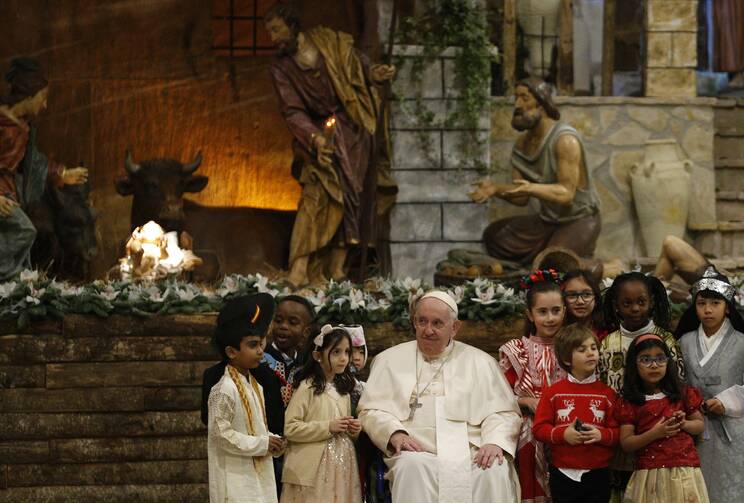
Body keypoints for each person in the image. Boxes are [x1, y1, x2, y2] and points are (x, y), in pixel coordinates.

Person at [264, 4, 396, 287]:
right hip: (319, 140)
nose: (273, 38)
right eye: (269, 32)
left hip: (354, 134)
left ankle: (337, 269)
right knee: (317, 195)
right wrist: (314, 138)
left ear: (291, 23)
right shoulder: (281, 68)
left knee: (353, 198)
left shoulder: (327, 41)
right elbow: (292, 111)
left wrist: (374, 73)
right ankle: (299, 269)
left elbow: (355, 64)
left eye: (276, 29)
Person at [359, 291, 521, 503]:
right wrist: (394, 433)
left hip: (472, 450)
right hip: (416, 449)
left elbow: (503, 412)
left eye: (437, 323)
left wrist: (493, 442)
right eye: (422, 321)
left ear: (454, 327)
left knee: (494, 470)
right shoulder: (388, 360)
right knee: (411, 468)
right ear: (414, 322)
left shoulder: (481, 362)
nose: (428, 330)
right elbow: (371, 410)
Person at [469, 77, 600, 266]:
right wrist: (494, 189)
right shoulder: (522, 145)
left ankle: (603, 268)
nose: (517, 104)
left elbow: (566, 194)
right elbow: (521, 198)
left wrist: (531, 188)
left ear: (542, 103)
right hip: (547, 221)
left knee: (552, 264)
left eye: (524, 98)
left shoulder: (564, 140)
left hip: (579, 219)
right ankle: (538, 264)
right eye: (516, 98)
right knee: (495, 236)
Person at [597, 271, 684, 501]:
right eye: (627, 303)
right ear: (616, 305)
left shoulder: (665, 340)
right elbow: (602, 385)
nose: (635, 308)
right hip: (622, 434)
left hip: (660, 436)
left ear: (652, 302)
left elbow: (678, 385)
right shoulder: (608, 343)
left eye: (641, 302)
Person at [0, 57, 88, 280]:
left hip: (10, 189)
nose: (45, 105)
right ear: (30, 95)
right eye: (43, 98)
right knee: (24, 230)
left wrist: (62, 174)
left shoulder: (24, 127)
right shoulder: (2, 124)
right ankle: (8, 277)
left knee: (21, 236)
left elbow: (34, 162)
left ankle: (18, 281)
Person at [207, 293, 287, 503]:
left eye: (261, 344)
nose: (261, 351)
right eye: (253, 345)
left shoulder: (255, 384)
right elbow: (220, 435)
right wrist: (262, 443)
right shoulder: (223, 389)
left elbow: (255, 428)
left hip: (258, 475)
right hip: (234, 478)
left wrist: (272, 440)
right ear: (232, 352)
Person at [676, 266, 744, 502]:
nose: (707, 310)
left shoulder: (741, 343)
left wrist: (726, 401)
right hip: (693, 428)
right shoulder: (683, 342)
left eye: (715, 303)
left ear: (727, 307)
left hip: (734, 431)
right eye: (701, 303)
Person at [615, 333, 709, 503]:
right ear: (634, 365)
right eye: (645, 359)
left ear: (668, 362)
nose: (654, 365)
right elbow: (626, 443)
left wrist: (684, 423)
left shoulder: (682, 394)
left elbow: (699, 425)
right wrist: (655, 433)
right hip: (650, 474)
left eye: (660, 358)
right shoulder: (631, 401)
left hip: (684, 473)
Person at [500, 269, 567, 502]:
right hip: (528, 422)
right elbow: (499, 396)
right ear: (529, 314)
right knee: (528, 439)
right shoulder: (516, 350)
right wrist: (527, 401)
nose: (550, 318)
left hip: (566, 420)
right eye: (543, 311)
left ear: (564, 311)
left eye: (556, 311)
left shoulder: (573, 346)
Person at [533, 324, 619, 503]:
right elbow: (539, 429)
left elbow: (618, 432)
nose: (591, 353)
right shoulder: (552, 393)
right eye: (582, 349)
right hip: (562, 473)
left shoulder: (608, 394)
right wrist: (564, 434)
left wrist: (600, 434)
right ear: (566, 359)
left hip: (598, 473)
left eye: (594, 348)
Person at [280, 324, 362, 503]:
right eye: (336, 352)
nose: (344, 358)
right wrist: (328, 426)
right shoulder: (307, 387)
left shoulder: (343, 391)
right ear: (318, 355)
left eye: (347, 352)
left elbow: (345, 430)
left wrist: (352, 430)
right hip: (313, 468)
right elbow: (290, 427)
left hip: (341, 465)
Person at [268, 294, 316, 407]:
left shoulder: (305, 364)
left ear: (307, 332)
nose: (283, 326)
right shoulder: (261, 359)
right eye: (278, 320)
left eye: (293, 323)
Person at [562, 269, 607, 341]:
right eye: (572, 295)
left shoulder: (606, 334)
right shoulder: (556, 333)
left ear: (596, 299)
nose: (580, 301)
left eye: (587, 294)